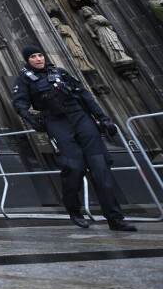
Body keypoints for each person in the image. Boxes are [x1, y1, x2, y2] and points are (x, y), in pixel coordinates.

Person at [12, 45, 136, 231]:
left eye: (40, 55)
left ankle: (115, 218)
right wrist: (32, 120)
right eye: (33, 57)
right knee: (73, 168)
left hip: (81, 118)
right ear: (27, 60)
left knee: (100, 169)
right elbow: (19, 103)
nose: (38, 59)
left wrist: (103, 118)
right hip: (57, 122)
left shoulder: (61, 72)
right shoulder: (24, 79)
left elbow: (85, 96)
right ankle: (74, 209)